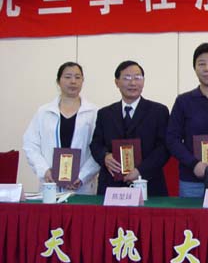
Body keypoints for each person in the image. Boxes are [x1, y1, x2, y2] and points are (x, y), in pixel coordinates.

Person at [90, 60, 170, 196]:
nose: (133, 83)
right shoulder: (105, 113)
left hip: (149, 184)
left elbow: (164, 148)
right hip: (112, 185)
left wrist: (141, 170)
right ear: (116, 82)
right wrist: (105, 157)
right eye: (127, 78)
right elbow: (96, 144)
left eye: (137, 77)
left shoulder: (159, 111)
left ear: (143, 81)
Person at [23, 62, 99, 194]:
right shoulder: (44, 112)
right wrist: (45, 170)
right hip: (50, 185)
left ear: (82, 81)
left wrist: (82, 176)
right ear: (58, 81)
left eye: (77, 77)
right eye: (68, 77)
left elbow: (99, 149)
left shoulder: (94, 112)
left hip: (82, 187)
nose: (73, 81)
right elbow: (31, 145)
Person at [166, 43, 208, 198]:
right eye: (201, 64)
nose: (207, 68)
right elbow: (172, 139)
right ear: (195, 68)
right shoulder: (183, 101)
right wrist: (193, 164)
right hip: (191, 181)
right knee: (191, 215)